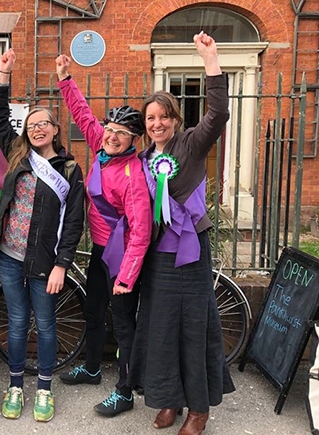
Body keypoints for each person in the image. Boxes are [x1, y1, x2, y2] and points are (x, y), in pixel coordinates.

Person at [126, 31, 236, 435]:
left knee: (192, 326)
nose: (157, 124)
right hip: (157, 255)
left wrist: (211, 62)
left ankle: (199, 409)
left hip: (189, 251)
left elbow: (219, 115)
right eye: (150, 118)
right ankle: (168, 399)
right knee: (160, 325)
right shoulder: (141, 157)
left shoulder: (190, 144)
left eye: (164, 117)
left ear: (176, 119)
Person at [0, 48, 84, 423]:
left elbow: (74, 222)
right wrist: (3, 76)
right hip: (10, 257)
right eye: (31, 125)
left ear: (55, 129)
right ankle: (15, 385)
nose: (37, 129)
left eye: (44, 124)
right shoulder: (18, 154)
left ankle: (43, 388)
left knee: (45, 325)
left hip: (45, 261)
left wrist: (62, 265)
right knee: (15, 322)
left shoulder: (70, 168)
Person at [54, 55, 152, 417]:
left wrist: (127, 277)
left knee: (124, 324)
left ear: (133, 140)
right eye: (108, 129)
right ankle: (93, 369)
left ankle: (125, 392)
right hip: (99, 249)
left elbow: (141, 231)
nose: (110, 136)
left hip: (122, 258)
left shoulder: (134, 175)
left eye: (120, 134)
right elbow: (82, 114)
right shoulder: (103, 148)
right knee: (93, 311)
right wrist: (66, 79)